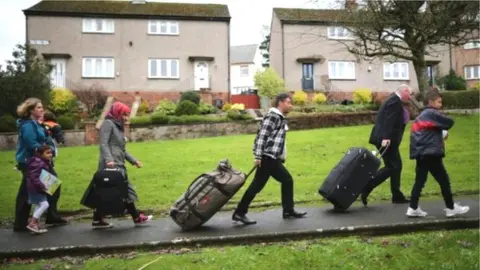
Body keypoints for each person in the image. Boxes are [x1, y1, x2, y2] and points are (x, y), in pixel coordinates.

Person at [232, 93, 307, 225]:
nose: (291, 105)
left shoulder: (279, 117)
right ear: (280, 102)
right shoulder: (273, 117)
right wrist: (258, 156)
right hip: (267, 158)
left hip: (271, 158)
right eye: (288, 102)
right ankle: (240, 212)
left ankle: (287, 211)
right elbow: (262, 136)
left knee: (271, 183)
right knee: (278, 182)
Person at [87, 101, 152, 229]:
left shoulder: (118, 127)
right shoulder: (108, 124)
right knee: (122, 189)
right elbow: (104, 144)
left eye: (127, 115)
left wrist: (134, 161)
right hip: (110, 164)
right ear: (118, 113)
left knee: (107, 191)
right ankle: (136, 217)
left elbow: (122, 150)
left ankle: (97, 219)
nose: (126, 118)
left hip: (119, 162)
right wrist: (109, 160)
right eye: (124, 114)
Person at [406, 91, 470, 217]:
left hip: (421, 152)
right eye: (439, 102)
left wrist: (440, 132)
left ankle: (413, 207)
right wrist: (442, 129)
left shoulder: (421, 116)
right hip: (431, 153)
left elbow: (427, 131)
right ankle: (451, 208)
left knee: (420, 181)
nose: (441, 105)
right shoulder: (431, 113)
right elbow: (449, 122)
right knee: (444, 180)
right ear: (431, 102)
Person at [13, 98, 67, 232]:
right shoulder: (27, 125)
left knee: (53, 185)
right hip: (30, 163)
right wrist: (48, 151)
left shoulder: (36, 124)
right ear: (30, 110)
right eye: (38, 107)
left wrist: (50, 149)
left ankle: (51, 216)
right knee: (26, 193)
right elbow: (32, 144)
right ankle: (20, 224)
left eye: (42, 107)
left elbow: (45, 139)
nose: (42, 109)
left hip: (40, 161)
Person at [361, 84, 413, 206]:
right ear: (404, 91)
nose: (410, 97)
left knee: (396, 166)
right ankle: (367, 186)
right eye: (410, 94)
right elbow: (388, 120)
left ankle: (397, 195)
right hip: (385, 140)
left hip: (387, 140)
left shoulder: (394, 100)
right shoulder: (395, 101)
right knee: (393, 167)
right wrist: (386, 138)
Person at [26, 145, 55, 234]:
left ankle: (35, 226)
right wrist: (42, 186)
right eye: (47, 153)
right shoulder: (39, 163)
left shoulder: (42, 161)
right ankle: (32, 222)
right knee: (45, 205)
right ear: (40, 154)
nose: (50, 155)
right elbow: (33, 177)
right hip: (36, 188)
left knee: (39, 205)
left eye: (51, 153)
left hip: (37, 188)